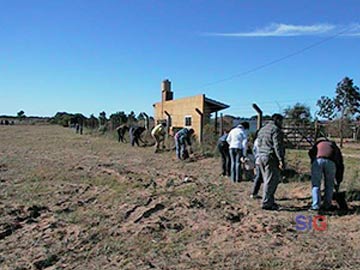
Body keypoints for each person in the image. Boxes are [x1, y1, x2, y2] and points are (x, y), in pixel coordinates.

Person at [257, 113, 285, 210]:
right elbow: (277, 146)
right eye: (281, 121)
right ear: (277, 120)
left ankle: (270, 200)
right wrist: (281, 159)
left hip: (261, 156)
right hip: (270, 157)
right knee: (271, 181)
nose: (282, 123)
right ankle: (266, 203)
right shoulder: (276, 130)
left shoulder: (262, 129)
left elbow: (258, 144)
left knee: (266, 180)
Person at [308, 137, 344, 211]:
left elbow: (310, 153)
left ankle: (315, 206)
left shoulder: (318, 144)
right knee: (329, 185)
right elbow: (340, 164)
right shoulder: (334, 146)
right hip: (331, 162)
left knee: (316, 184)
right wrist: (338, 180)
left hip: (317, 161)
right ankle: (327, 205)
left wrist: (313, 162)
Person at [250, 131, 263, 199]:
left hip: (258, 160)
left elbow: (254, 150)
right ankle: (254, 193)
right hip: (262, 159)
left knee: (258, 177)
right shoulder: (262, 140)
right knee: (260, 177)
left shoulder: (256, 141)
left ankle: (254, 193)